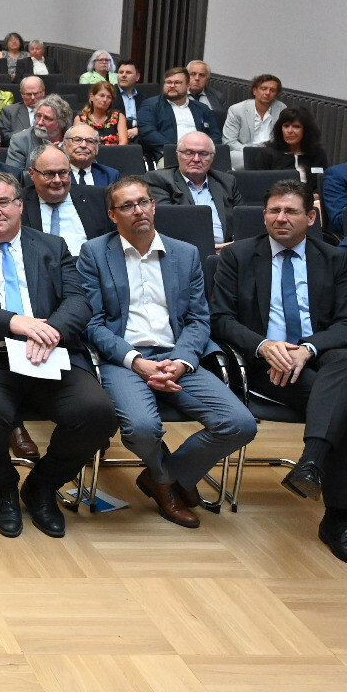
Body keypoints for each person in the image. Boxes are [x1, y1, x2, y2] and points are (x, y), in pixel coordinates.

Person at [0, 172, 116, 537]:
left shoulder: (52, 246)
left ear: (19, 205)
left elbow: (79, 300)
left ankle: (43, 485)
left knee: (97, 414)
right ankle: (2, 488)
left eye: (2, 202)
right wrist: (16, 322)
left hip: (50, 352)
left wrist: (51, 330)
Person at [208, 180, 347, 569]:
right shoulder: (238, 256)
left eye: (291, 211)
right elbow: (220, 319)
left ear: (311, 217)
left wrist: (308, 349)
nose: (280, 218)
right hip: (265, 365)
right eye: (273, 211)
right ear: (264, 214)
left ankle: (311, 464)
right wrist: (264, 345)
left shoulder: (333, 258)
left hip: (318, 356)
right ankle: (338, 518)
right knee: (343, 406)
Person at [79, 176, 255, 528]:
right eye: (127, 206)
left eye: (143, 202)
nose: (138, 210)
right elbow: (93, 323)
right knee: (142, 429)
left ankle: (167, 476)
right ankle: (165, 482)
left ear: (154, 206)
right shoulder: (95, 253)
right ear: (113, 215)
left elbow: (198, 319)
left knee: (240, 424)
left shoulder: (185, 253)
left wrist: (183, 361)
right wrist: (137, 362)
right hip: (124, 360)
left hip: (178, 357)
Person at [149, 131, 242, 246]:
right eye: (189, 153)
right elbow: (168, 225)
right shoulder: (160, 180)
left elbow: (243, 222)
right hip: (185, 253)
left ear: (212, 158)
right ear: (178, 155)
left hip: (228, 253)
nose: (196, 159)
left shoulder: (227, 182)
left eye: (203, 154)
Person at [22, 144, 111, 255]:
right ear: (32, 173)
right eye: (49, 174)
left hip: (87, 268)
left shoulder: (98, 197)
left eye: (63, 173)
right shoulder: (19, 203)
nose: (57, 180)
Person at [136, 67, 220, 165]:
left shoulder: (202, 109)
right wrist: (177, 150)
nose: (172, 86)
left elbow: (215, 135)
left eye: (177, 83)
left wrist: (204, 150)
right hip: (169, 155)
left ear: (188, 86)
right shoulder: (151, 105)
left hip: (201, 156)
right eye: (168, 82)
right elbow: (147, 132)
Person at [222, 74, 286, 166]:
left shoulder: (281, 108)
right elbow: (229, 141)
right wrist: (252, 152)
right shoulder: (237, 110)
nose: (267, 93)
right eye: (263, 89)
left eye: (272, 90)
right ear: (255, 90)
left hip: (271, 153)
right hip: (243, 152)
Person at [3, 96, 72, 173]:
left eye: (47, 118)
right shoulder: (21, 140)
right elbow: (14, 176)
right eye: (38, 116)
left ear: (62, 123)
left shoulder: (73, 140)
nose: (39, 122)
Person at [263, 106, 328, 181]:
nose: (289, 131)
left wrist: (317, 192)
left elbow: (324, 181)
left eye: (296, 127)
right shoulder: (268, 154)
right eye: (286, 126)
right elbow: (259, 184)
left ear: (306, 130)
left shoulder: (318, 154)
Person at [64, 123, 119, 189]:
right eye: (77, 140)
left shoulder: (110, 175)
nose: (83, 145)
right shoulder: (58, 175)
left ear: (97, 148)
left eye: (90, 141)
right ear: (65, 145)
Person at [78, 80, 128, 146]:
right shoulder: (81, 118)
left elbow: (123, 142)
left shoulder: (118, 116)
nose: (105, 100)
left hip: (114, 154)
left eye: (109, 97)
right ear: (91, 97)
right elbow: (78, 142)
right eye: (102, 96)